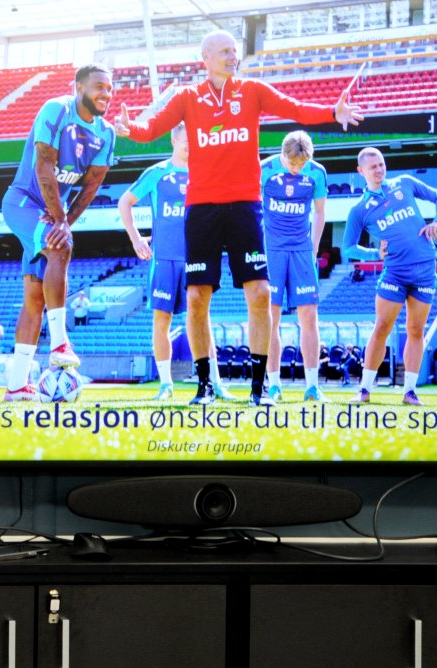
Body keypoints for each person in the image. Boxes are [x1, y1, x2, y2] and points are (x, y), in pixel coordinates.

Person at [113, 29, 363, 406]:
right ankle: (204, 386)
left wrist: (332, 113)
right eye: (226, 51)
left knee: (261, 293)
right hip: (201, 210)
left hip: (246, 207)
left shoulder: (252, 91)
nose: (234, 56)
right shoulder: (186, 97)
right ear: (206, 58)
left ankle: (259, 387)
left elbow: (293, 108)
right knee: (197, 296)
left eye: (235, 50)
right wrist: (128, 128)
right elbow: (151, 131)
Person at [2, 64, 116, 401]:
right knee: (61, 247)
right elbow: (43, 166)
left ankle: (17, 386)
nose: (106, 94)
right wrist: (59, 221)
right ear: (78, 87)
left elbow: (91, 186)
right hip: (23, 202)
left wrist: (65, 220)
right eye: (99, 87)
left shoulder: (106, 133)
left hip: (52, 213)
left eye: (110, 89)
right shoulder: (57, 109)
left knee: (35, 297)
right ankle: (60, 343)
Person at [118, 122, 236, 402]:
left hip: (197, 258)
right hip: (164, 260)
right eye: (186, 142)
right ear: (174, 140)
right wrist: (136, 239)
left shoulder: (206, 173)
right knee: (162, 321)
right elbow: (125, 202)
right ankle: (166, 384)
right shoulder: (157, 174)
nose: (191, 147)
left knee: (203, 321)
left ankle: (215, 383)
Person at [343, 147, 437, 405]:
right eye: (372, 166)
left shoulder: (404, 183)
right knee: (382, 327)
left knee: (416, 330)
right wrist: (375, 253)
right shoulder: (359, 210)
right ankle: (364, 389)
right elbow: (348, 247)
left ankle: (410, 391)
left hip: (426, 269)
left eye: (381, 164)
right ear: (360, 171)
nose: (379, 169)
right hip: (394, 272)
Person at [260, 130, 328, 403]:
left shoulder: (317, 173)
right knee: (270, 320)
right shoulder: (263, 170)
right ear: (282, 155)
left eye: (301, 165)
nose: (297, 169)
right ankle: (274, 385)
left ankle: (312, 386)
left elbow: (321, 212)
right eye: (292, 164)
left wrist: (312, 249)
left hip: (301, 251)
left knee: (309, 317)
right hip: (272, 251)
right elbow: (252, 208)